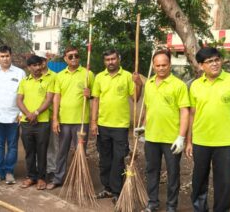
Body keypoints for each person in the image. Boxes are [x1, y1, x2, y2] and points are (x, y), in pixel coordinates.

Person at [186, 47, 230, 212]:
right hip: (201, 141)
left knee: (224, 183)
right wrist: (189, 141)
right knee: (199, 181)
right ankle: (200, 209)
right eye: (210, 61)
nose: (215, 64)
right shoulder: (195, 86)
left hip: (226, 142)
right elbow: (192, 115)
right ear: (201, 66)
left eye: (217, 59)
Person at [135, 49, 189, 212]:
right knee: (152, 171)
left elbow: (184, 111)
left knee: (173, 173)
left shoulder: (179, 85)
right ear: (153, 65)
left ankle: (171, 206)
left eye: (164, 65)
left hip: (171, 139)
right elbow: (148, 108)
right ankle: (152, 203)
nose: (161, 68)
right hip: (151, 138)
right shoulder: (149, 84)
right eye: (157, 65)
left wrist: (181, 137)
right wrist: (144, 126)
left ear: (170, 64)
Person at [91, 49, 142, 202]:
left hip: (120, 126)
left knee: (118, 159)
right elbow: (95, 100)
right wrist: (93, 122)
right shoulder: (99, 77)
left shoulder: (128, 76)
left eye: (113, 59)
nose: (111, 62)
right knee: (104, 158)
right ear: (104, 62)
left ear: (118, 59)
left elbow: (135, 98)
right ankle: (106, 188)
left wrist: (138, 84)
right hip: (103, 124)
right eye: (107, 60)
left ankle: (117, 191)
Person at [46, 46, 94, 190]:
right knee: (62, 151)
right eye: (70, 56)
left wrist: (89, 94)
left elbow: (95, 95)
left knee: (80, 151)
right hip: (64, 121)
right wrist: (55, 119)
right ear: (65, 59)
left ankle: (80, 180)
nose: (74, 58)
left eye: (76, 55)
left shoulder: (88, 74)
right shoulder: (59, 76)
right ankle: (58, 178)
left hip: (81, 121)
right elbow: (56, 98)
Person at [0, 45, 26, 185]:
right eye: (2, 56)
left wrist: (21, 113)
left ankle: (9, 172)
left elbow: (23, 95)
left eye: (7, 55)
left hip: (14, 116)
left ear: (11, 56)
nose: (5, 58)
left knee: (13, 146)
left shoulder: (20, 73)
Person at [17, 55, 54, 190]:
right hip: (26, 122)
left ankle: (41, 178)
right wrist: (28, 114)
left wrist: (36, 113)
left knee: (42, 151)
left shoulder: (48, 80)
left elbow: (48, 99)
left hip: (42, 122)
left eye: (39, 65)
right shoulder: (24, 81)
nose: (38, 67)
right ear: (29, 67)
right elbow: (19, 100)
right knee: (29, 151)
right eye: (34, 65)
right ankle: (31, 177)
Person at [35, 51, 58, 181]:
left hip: (50, 115)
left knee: (53, 144)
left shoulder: (55, 76)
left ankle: (52, 170)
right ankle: (40, 169)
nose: (40, 64)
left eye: (42, 60)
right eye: (37, 61)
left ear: (46, 61)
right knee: (39, 144)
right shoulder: (32, 77)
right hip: (36, 117)